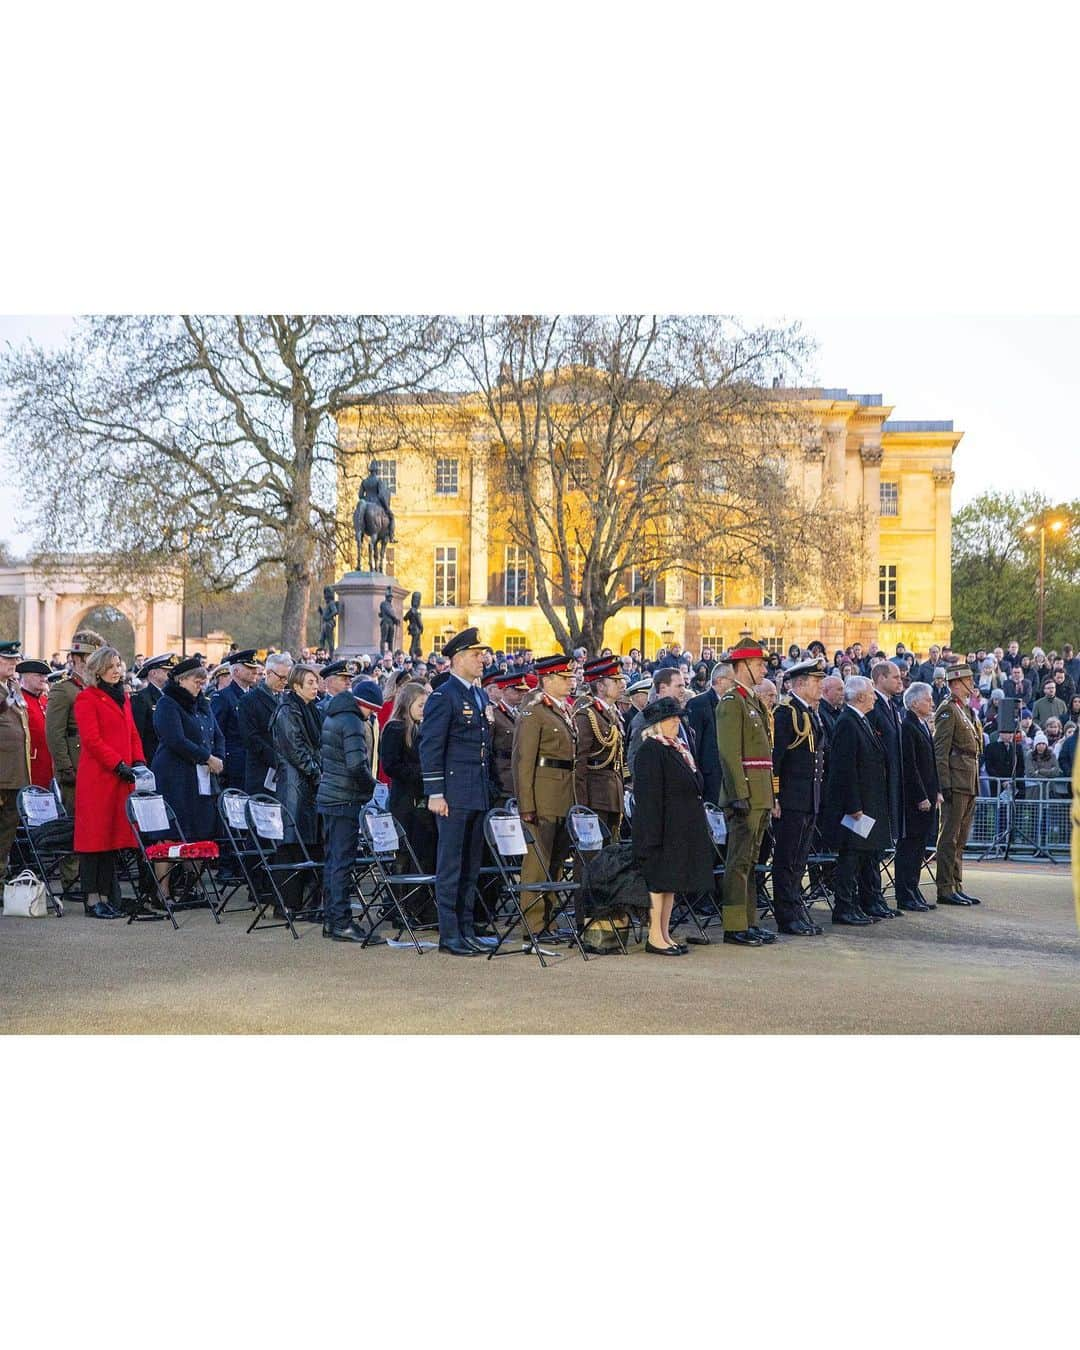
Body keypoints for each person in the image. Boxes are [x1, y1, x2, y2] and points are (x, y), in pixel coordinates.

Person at [419, 627, 494, 956]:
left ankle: (465, 928)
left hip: (474, 791)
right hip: (452, 793)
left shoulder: (478, 695)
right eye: (476, 655)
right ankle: (449, 933)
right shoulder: (444, 695)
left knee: (470, 865)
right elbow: (431, 747)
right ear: (459, 658)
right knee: (450, 866)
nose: (483, 660)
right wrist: (435, 792)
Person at [631, 696, 714, 955]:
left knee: (671, 883)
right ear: (657, 724)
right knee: (659, 883)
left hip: (680, 827)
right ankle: (655, 936)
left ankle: (665, 933)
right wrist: (652, 835)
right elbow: (649, 797)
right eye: (671, 718)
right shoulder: (650, 750)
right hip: (662, 828)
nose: (677, 721)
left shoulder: (675, 747)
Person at [511, 654, 578, 955]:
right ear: (548, 679)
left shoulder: (562, 710)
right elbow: (523, 760)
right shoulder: (534, 711)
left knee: (554, 861)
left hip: (563, 792)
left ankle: (549, 920)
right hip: (541, 794)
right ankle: (534, 924)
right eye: (565, 678)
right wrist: (527, 803)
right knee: (537, 862)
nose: (571, 682)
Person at [73, 646, 146, 919]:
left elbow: (133, 734)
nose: (117, 670)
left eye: (119, 665)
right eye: (111, 666)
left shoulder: (123, 697)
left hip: (122, 778)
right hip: (99, 779)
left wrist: (139, 762)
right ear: (98, 670)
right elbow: (92, 741)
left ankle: (108, 896)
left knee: (112, 840)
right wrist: (118, 764)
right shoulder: (87, 699)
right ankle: (93, 899)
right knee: (95, 842)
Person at [714, 643, 776, 947]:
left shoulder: (751, 702)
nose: (764, 669)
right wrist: (738, 793)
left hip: (760, 792)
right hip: (746, 793)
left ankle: (749, 921)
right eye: (759, 664)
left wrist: (770, 796)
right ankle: (735, 925)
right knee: (738, 861)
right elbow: (728, 752)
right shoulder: (731, 702)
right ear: (743, 665)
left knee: (751, 861)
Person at [317, 676, 383, 942]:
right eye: (372, 710)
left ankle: (332, 919)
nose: (371, 717)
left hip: (331, 795)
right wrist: (372, 787)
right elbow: (357, 765)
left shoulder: (335, 715)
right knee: (343, 862)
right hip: (345, 797)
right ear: (364, 704)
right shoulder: (353, 720)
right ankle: (341, 921)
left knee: (333, 860)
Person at [822, 675, 892, 925]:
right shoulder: (848, 723)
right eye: (872, 693)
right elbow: (845, 769)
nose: (874, 696)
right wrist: (854, 807)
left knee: (862, 856)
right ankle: (844, 907)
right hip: (854, 808)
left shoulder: (860, 720)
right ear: (861, 696)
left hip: (866, 804)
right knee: (850, 857)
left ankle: (857, 905)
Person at [769, 657, 827, 936]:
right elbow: (776, 759)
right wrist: (775, 796)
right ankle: (786, 915)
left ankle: (796, 910)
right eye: (816, 682)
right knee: (786, 859)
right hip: (791, 800)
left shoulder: (810, 712)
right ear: (800, 683)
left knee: (799, 860)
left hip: (807, 799)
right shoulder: (786, 713)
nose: (820, 686)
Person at [44, 629, 105, 888]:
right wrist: (66, 768)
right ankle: (72, 878)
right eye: (92, 660)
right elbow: (55, 735)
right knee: (73, 822)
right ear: (78, 660)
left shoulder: (96, 690)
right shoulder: (63, 691)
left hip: (96, 768)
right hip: (76, 768)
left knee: (92, 824)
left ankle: (88, 878)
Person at [151, 655, 225, 844]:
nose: (200, 686)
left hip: (201, 777)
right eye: (196, 681)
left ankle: (193, 873)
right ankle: (167, 873)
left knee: (199, 832)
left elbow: (217, 734)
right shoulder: (167, 703)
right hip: (175, 775)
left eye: (202, 682)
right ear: (181, 679)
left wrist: (218, 757)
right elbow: (175, 739)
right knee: (172, 832)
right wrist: (207, 757)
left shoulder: (203, 704)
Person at [271, 663, 324, 910]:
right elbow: (296, 750)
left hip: (309, 787)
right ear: (296, 686)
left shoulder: (311, 709)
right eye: (310, 683)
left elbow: (317, 745)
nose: (316, 687)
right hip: (295, 787)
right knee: (292, 844)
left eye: (316, 682)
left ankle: (304, 901)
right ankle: (287, 904)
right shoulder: (287, 712)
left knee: (309, 843)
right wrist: (317, 773)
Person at [933, 663, 983, 907]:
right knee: (949, 837)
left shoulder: (966, 710)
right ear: (955, 683)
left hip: (968, 779)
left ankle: (956, 884)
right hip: (956, 780)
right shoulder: (948, 710)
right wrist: (944, 785)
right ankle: (945, 887)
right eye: (968, 681)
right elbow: (940, 751)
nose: (972, 685)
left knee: (960, 838)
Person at [380, 681, 437, 882]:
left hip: (421, 799)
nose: (424, 710)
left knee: (423, 852)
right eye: (420, 705)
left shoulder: (420, 729)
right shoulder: (395, 728)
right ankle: (402, 902)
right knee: (406, 852)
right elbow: (391, 765)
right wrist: (420, 773)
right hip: (405, 800)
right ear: (408, 703)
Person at [895, 681, 941, 911]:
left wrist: (938, 791)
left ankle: (914, 889)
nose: (931, 702)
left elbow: (931, 763)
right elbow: (910, 766)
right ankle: (905, 892)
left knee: (920, 846)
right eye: (927, 699)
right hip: (916, 801)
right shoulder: (908, 726)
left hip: (929, 796)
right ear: (914, 703)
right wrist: (922, 796)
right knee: (910, 847)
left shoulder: (922, 725)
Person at [867, 660, 905, 917]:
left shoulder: (891, 706)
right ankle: (869, 897)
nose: (900, 681)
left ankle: (875, 897)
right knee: (870, 849)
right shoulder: (872, 707)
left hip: (890, 786)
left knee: (879, 847)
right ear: (880, 679)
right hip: (876, 789)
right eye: (895, 677)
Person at [573, 657, 626, 838]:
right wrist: (581, 801)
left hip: (613, 793)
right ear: (601, 686)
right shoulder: (587, 715)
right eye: (616, 681)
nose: (622, 684)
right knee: (591, 853)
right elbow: (580, 761)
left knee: (610, 853)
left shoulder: (612, 714)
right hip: (595, 795)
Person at [238, 652, 293, 794]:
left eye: (287, 678)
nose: (285, 682)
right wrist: (277, 760)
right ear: (268, 673)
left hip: (287, 773)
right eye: (281, 677)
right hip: (262, 771)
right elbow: (250, 737)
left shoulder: (287, 700)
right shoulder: (249, 700)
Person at [210, 650, 261, 791]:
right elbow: (216, 732)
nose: (255, 671)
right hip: (234, 766)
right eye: (250, 668)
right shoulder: (222, 697)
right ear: (236, 671)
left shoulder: (255, 696)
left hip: (254, 764)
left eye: (255, 667)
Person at [0, 641, 30, 877]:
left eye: (14, 660)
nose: (13, 664)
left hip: (14, 774)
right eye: (7, 660)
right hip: (2, 774)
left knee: (7, 832)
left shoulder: (11, 687)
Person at [685, 662, 733, 805]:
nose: (735, 685)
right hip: (709, 777)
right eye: (732, 681)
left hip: (728, 776)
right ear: (720, 680)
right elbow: (694, 743)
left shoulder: (732, 704)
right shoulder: (699, 703)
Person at [482, 669, 529, 804]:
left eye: (523, 691)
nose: (522, 694)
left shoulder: (522, 713)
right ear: (503, 690)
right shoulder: (494, 715)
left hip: (520, 775)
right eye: (517, 691)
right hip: (503, 777)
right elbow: (488, 748)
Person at [130, 654, 177, 765]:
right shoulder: (141, 697)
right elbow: (138, 733)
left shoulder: (171, 696)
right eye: (166, 672)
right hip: (152, 759)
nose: (170, 676)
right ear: (153, 673)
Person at [17, 658, 53, 789]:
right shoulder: (19, 700)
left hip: (48, 766)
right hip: (31, 767)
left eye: (45, 675)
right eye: (39, 675)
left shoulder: (45, 700)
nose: (44, 678)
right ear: (25, 677)